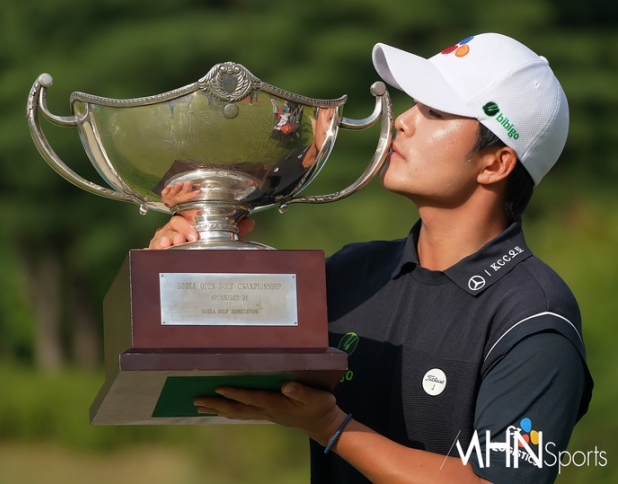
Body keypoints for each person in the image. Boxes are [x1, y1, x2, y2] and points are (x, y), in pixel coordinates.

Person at [149, 33, 593, 484]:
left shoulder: (535, 317)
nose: (402, 121)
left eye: (434, 112)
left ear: (495, 164)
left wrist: (331, 427)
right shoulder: (353, 272)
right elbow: (203, 368)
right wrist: (186, 266)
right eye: (414, 104)